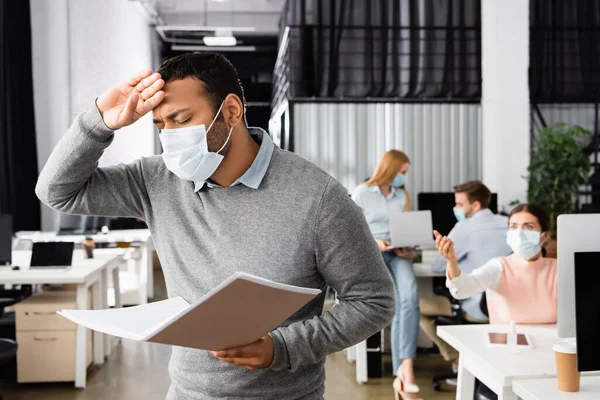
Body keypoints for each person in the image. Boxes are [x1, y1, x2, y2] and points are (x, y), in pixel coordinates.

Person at [35, 53, 395, 399]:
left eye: (181, 119)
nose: (169, 136)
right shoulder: (155, 180)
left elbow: (373, 301)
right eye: (160, 125)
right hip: (186, 393)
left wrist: (282, 347)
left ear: (232, 111)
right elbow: (56, 192)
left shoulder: (318, 197)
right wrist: (99, 120)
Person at [351, 150, 421, 400]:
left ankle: (405, 367)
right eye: (402, 172)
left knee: (410, 298)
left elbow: (408, 226)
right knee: (392, 303)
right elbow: (351, 230)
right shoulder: (361, 193)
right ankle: (401, 375)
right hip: (373, 253)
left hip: (398, 252)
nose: (404, 177)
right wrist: (374, 241)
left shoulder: (402, 195)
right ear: (390, 169)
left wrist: (409, 245)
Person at [421, 181, 511, 365]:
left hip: (477, 308)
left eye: (460, 204)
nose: (456, 208)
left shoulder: (464, 229)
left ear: (476, 205)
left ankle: (456, 358)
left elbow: (438, 267)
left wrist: (457, 260)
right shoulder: (509, 223)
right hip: (506, 307)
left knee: (415, 308)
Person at [435, 203, 557, 325]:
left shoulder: (558, 269)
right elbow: (462, 289)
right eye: (514, 227)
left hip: (549, 342)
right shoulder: (499, 267)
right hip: (508, 342)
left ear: (545, 235)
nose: (520, 233)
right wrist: (452, 262)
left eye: (529, 227)